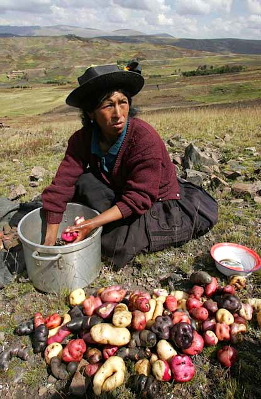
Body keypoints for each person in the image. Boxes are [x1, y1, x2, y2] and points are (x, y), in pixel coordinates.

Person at [42, 61, 218, 267]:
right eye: (108, 105)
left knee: (115, 245)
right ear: (91, 112)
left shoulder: (143, 138)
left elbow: (139, 198)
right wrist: (49, 243)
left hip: (157, 203)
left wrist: (90, 224)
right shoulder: (82, 139)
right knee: (81, 182)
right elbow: (61, 185)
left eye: (122, 102)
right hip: (121, 188)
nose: (118, 113)